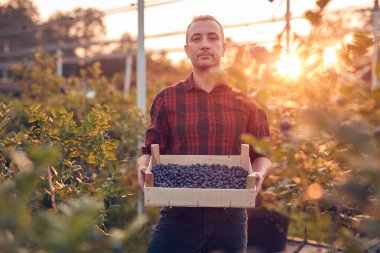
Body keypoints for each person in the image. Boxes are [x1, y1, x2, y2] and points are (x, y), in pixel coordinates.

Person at [137, 15, 272, 253]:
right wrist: (143, 168)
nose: (205, 44)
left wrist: (259, 174)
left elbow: (263, 154)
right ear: (187, 50)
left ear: (223, 48)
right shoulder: (167, 99)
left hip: (231, 215)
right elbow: (150, 151)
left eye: (212, 38)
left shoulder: (249, 99)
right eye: (197, 39)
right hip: (177, 213)